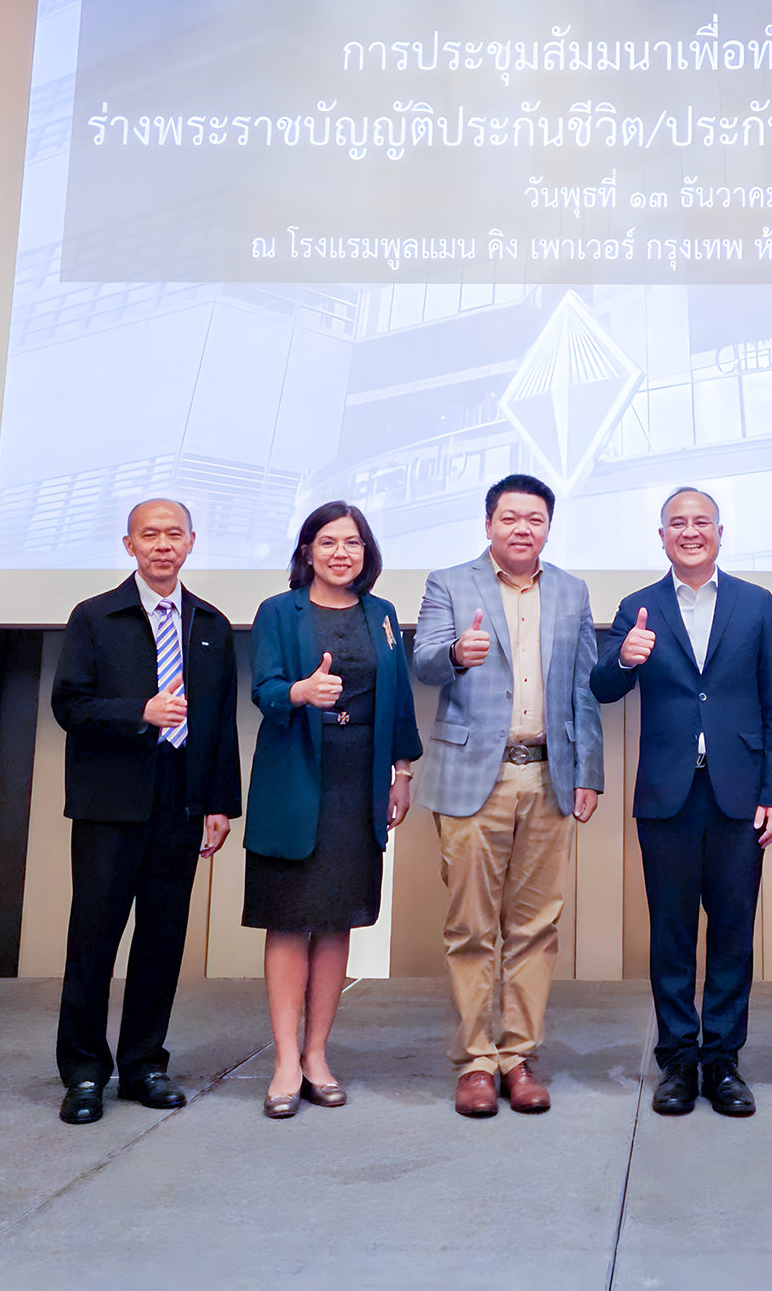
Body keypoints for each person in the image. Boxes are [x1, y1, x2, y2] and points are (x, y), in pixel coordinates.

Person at [591, 488, 772, 1119]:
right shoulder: (639, 606)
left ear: (720, 532)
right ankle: (678, 1061)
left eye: (701, 521)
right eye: (677, 523)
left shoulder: (756, 603)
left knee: (733, 932)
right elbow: (602, 686)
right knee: (671, 933)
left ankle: (723, 1060)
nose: (690, 531)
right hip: (667, 794)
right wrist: (623, 659)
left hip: (739, 793)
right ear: (662, 537)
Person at [411, 472, 605, 1118]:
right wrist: (457, 653)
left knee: (535, 926)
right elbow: (424, 661)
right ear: (489, 523)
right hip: (474, 777)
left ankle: (518, 1056)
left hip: (548, 774)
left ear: (548, 527)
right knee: (471, 925)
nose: (523, 528)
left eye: (535, 519)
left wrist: (589, 771)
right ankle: (476, 1060)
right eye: (510, 518)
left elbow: (582, 689)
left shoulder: (572, 591)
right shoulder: (449, 582)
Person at [48, 498, 241, 1125]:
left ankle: (143, 1066)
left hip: (181, 802)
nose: (163, 545)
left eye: (174, 534)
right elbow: (70, 705)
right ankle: (84, 1072)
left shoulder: (211, 624)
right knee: (94, 938)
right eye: (149, 535)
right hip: (110, 803)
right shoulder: (95, 616)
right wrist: (141, 711)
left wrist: (219, 804)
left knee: (161, 940)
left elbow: (221, 724)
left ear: (191, 543)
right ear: (129, 545)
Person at [246, 501, 424, 1118]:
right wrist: (300, 691)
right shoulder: (279, 611)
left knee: (337, 919)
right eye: (327, 542)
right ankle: (284, 1062)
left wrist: (402, 772)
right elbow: (265, 689)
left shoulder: (382, 614)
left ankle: (317, 1055)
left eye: (352, 542)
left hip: (359, 779)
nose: (340, 553)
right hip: (296, 776)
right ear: (307, 551)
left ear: (366, 552)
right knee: (288, 918)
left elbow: (399, 700)